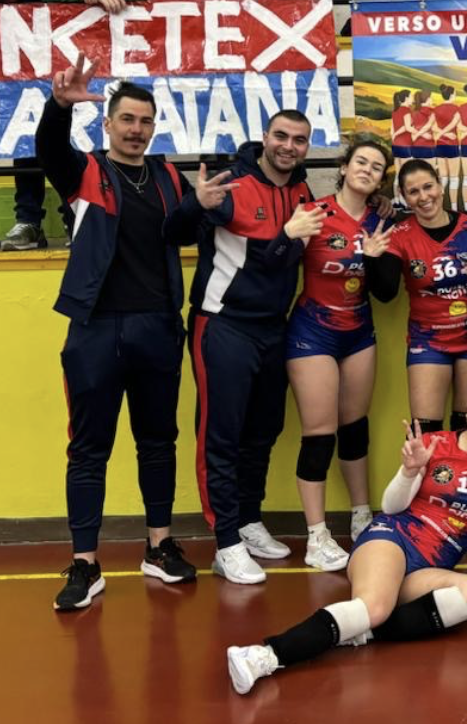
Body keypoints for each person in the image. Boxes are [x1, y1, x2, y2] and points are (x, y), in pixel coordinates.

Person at [38, 55, 222, 610]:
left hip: (156, 327)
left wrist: (198, 205)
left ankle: (159, 547)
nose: (136, 130)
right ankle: (85, 562)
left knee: (157, 441)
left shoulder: (167, 176)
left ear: (154, 126)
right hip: (95, 329)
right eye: (127, 120)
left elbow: (178, 232)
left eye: (145, 121)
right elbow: (50, 149)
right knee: (88, 449)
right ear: (108, 123)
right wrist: (58, 107)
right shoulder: (85, 173)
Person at [225, 379, 467, 695]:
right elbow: (391, 506)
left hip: (433, 565)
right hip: (393, 538)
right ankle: (265, 655)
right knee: (375, 607)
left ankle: (357, 630)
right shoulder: (434, 443)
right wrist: (409, 471)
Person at [187, 108, 315, 584]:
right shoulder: (232, 185)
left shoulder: (302, 192)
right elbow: (179, 230)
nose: (288, 146)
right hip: (224, 324)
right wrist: (195, 204)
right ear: (265, 137)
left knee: (263, 430)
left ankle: (247, 519)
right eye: (281, 136)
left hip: (272, 328)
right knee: (220, 435)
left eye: (299, 139)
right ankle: (225, 542)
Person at [286, 140, 395, 571]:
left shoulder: (382, 220)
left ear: (381, 179)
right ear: (345, 167)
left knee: (354, 427)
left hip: (359, 332)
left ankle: (361, 514)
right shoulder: (314, 213)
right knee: (319, 432)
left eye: (376, 167)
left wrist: (374, 258)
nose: (367, 170)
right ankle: (316, 536)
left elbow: (386, 292)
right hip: (312, 333)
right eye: (360, 162)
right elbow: (274, 264)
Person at [368, 160, 467, 435]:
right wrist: (371, 258)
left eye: (428, 187)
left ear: (440, 185)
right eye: (413, 192)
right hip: (429, 342)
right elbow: (385, 294)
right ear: (403, 196)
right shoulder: (399, 235)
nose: (423, 197)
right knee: (425, 432)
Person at [430, 85, 462, 209]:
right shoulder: (457, 109)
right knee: (454, 178)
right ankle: (454, 207)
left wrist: (441, 133)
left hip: (440, 144)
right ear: (452, 94)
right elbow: (455, 124)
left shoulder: (436, 109)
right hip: (452, 145)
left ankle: (440, 205)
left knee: (443, 177)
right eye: (455, 93)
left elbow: (432, 127)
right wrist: (448, 133)